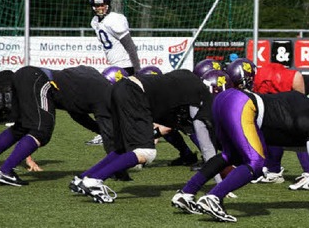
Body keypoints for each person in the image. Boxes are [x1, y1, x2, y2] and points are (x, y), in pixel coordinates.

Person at [171, 87, 309, 222]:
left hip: (225, 100)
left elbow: (286, 139)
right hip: (243, 105)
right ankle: (214, 198)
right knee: (256, 163)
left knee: (229, 155)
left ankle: (186, 193)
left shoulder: (301, 103)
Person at [74, 69, 221, 203]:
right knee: (147, 153)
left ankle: (83, 178)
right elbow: (206, 146)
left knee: (125, 149)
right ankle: (94, 180)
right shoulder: (202, 97)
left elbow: (165, 128)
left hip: (121, 88)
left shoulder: (184, 84)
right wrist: (220, 185)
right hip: (134, 93)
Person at [0, 65, 115, 187]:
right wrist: (115, 166)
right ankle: (6, 171)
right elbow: (109, 133)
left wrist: (97, 129)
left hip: (25, 75)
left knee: (21, 127)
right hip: (39, 80)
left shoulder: (89, 81)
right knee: (41, 131)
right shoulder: (104, 93)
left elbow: (77, 114)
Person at [224, 59, 309, 190]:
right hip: (287, 96)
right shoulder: (257, 79)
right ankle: (274, 171)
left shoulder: (265, 77)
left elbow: (296, 77)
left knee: (300, 131)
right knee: (270, 128)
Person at [90, 0, 140, 76]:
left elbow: (130, 46)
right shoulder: (95, 22)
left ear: (108, 4)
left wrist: (137, 70)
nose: (100, 8)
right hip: (114, 66)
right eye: (97, 5)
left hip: (126, 66)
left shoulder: (114, 19)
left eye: (102, 5)